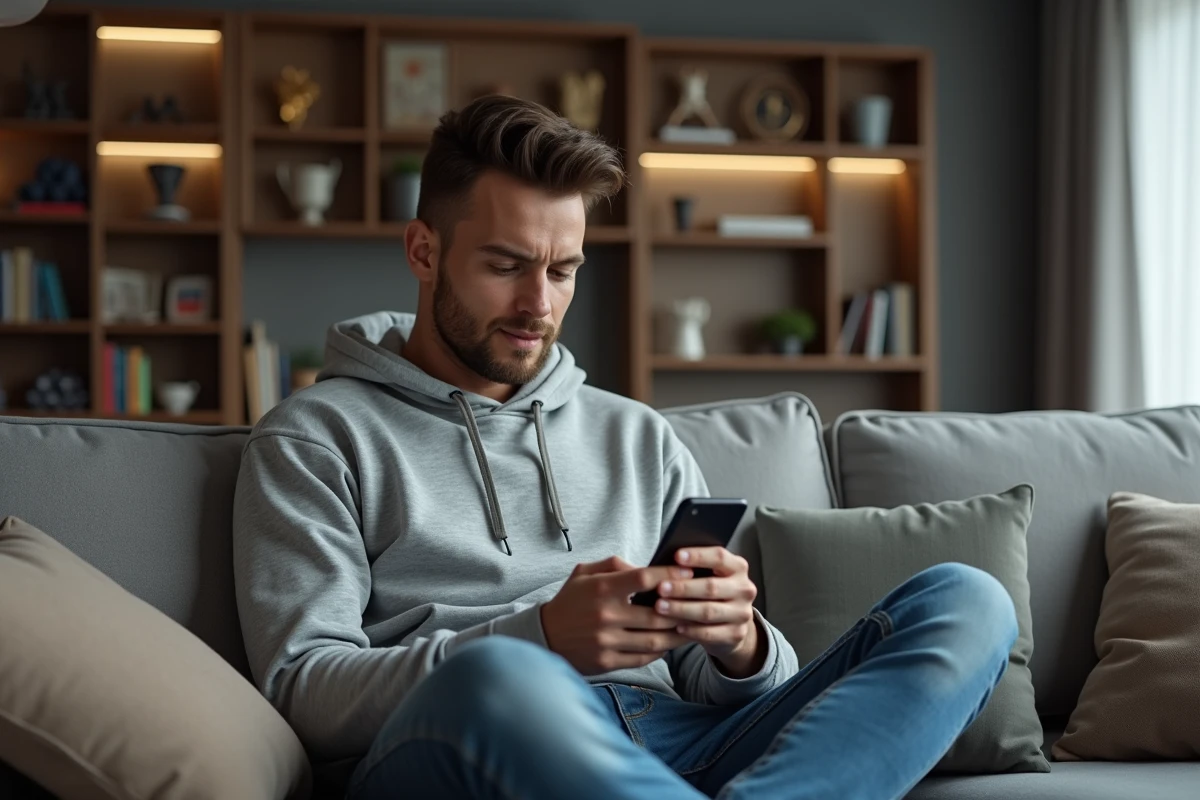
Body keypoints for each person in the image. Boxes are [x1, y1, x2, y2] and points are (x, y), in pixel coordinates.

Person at [231, 95, 1019, 800]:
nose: (539, 305)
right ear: (424, 251)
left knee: (967, 598)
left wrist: (740, 644)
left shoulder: (639, 436)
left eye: (563, 270)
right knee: (501, 676)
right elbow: (304, 690)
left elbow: (724, 686)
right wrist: (539, 638)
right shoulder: (315, 437)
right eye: (506, 266)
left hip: (676, 742)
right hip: (463, 738)